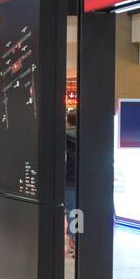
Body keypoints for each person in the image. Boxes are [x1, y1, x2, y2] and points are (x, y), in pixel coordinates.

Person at [64, 110, 78, 257]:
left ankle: (74, 240)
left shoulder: (63, 137)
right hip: (85, 178)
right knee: (78, 210)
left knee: (73, 210)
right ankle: (75, 240)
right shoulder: (89, 136)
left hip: (67, 179)